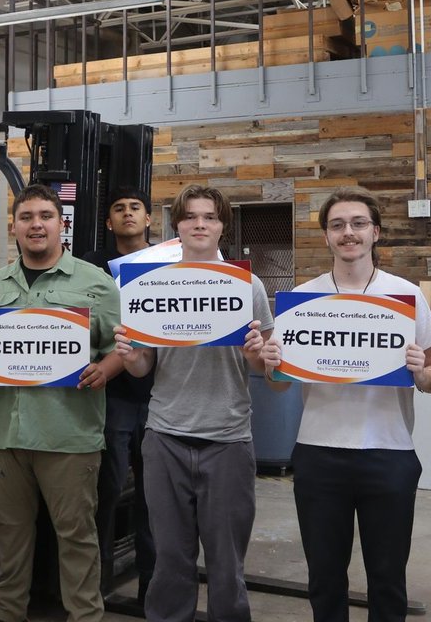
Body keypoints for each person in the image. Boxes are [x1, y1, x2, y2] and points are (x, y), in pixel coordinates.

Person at [114, 184, 279, 622]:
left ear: (223, 226)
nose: (200, 224)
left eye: (210, 216)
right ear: (177, 226)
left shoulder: (247, 286)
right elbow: (143, 365)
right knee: (170, 562)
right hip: (165, 436)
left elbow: (268, 366)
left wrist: (256, 355)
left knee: (227, 566)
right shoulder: (152, 286)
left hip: (227, 439)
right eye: (190, 217)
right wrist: (129, 357)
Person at [0, 183, 123, 622]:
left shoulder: (96, 285)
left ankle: (85, 615)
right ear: (13, 226)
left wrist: (105, 369)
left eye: (45, 216)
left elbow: (122, 347)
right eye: (26, 217)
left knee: (77, 534)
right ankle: (7, 609)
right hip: (4, 432)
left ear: (60, 224)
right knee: (9, 531)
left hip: (68, 433)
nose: (36, 225)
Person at [286, 186, 431, 622]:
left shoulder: (406, 297)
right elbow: (279, 384)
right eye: (337, 225)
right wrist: (271, 363)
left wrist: (423, 374)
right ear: (326, 235)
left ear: (375, 232)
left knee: (388, 578)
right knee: (324, 578)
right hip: (318, 451)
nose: (348, 232)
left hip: (388, 452)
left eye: (358, 223)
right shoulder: (304, 299)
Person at [82, 186, 156, 599]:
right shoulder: (91, 267)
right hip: (111, 396)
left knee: (154, 498)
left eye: (135, 207)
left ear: (148, 218)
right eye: (119, 209)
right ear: (108, 222)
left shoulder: (168, 263)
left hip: (159, 394)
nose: (128, 213)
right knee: (105, 493)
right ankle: (97, 586)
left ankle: (151, 588)